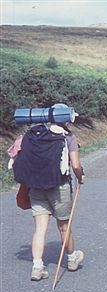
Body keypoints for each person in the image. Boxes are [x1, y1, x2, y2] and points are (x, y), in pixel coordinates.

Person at [12, 104, 85, 281]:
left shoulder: (33, 133)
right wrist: (81, 176)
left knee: (40, 228)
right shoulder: (68, 136)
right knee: (64, 226)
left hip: (36, 186)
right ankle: (72, 258)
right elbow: (75, 165)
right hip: (59, 187)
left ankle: (37, 267)